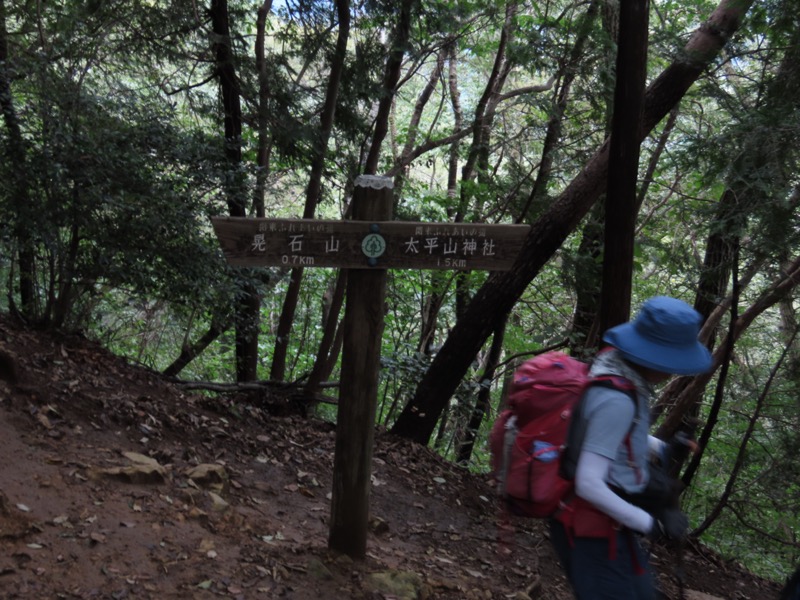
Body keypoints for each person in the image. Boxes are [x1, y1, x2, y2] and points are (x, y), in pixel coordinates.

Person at [549, 296, 712, 600]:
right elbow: (588, 482)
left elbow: (612, 437)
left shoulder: (619, 373)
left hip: (611, 525)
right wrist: (652, 524)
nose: (675, 370)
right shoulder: (617, 397)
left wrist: (666, 448)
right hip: (589, 529)